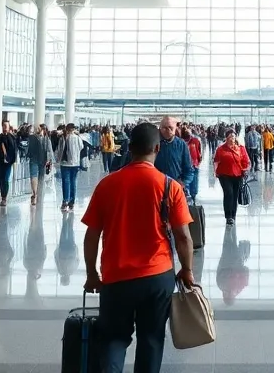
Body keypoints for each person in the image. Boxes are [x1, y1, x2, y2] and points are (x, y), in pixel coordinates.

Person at [82, 122, 195, 373]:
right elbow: (184, 237)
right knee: (151, 340)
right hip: (157, 277)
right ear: (157, 148)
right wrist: (187, 269)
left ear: (129, 148)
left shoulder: (107, 185)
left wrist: (91, 273)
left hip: (116, 277)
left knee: (113, 340)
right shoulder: (169, 186)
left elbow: (92, 235)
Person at [213, 129, 250, 225]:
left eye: (233, 136)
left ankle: (233, 214)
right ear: (226, 138)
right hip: (224, 174)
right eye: (230, 136)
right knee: (228, 193)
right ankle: (228, 215)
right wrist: (215, 171)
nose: (232, 138)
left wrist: (245, 170)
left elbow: (246, 160)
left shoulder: (241, 148)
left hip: (238, 175)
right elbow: (216, 161)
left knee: (235, 194)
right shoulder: (221, 149)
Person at [0, 120, 18, 208]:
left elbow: (14, 150)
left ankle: (4, 198)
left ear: (9, 127)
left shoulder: (12, 138)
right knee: (0, 180)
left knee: (5, 179)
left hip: (7, 164)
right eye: (4, 125)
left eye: (6, 125)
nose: (5, 127)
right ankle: (2, 195)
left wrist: (11, 160)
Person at [56, 123, 83, 212]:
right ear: (74, 129)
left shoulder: (63, 138)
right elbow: (81, 147)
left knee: (66, 182)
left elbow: (59, 150)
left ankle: (65, 202)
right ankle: (72, 203)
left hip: (65, 163)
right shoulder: (78, 138)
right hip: (75, 163)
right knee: (73, 182)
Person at [182, 126, 202, 200]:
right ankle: (187, 195)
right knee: (186, 181)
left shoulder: (195, 141)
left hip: (194, 164)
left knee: (194, 182)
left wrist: (198, 161)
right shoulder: (180, 142)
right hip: (184, 166)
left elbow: (199, 152)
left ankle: (193, 197)